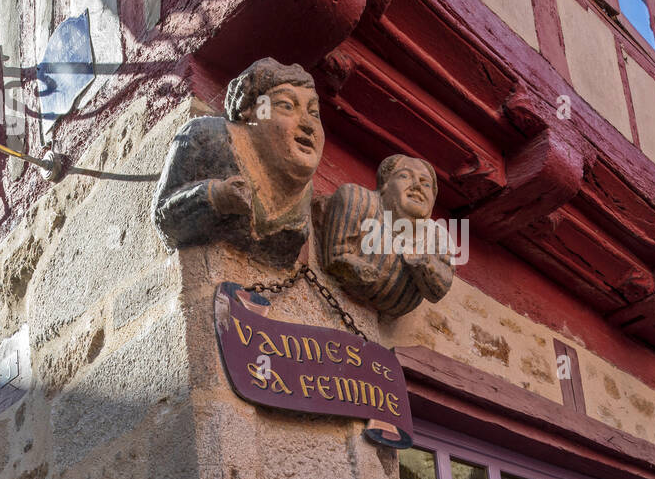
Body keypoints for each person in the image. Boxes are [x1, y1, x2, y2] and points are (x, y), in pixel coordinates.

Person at [153, 58, 323, 268]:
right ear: (248, 110)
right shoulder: (207, 136)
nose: (308, 124)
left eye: (314, 113)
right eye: (286, 105)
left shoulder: (304, 190)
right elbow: (166, 218)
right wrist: (216, 196)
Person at [321, 155, 454, 317]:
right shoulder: (358, 200)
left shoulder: (438, 236)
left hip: (396, 305)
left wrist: (424, 262)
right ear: (384, 184)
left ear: (433, 201)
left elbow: (440, 288)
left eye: (426, 184)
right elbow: (337, 256)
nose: (417, 186)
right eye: (405, 176)